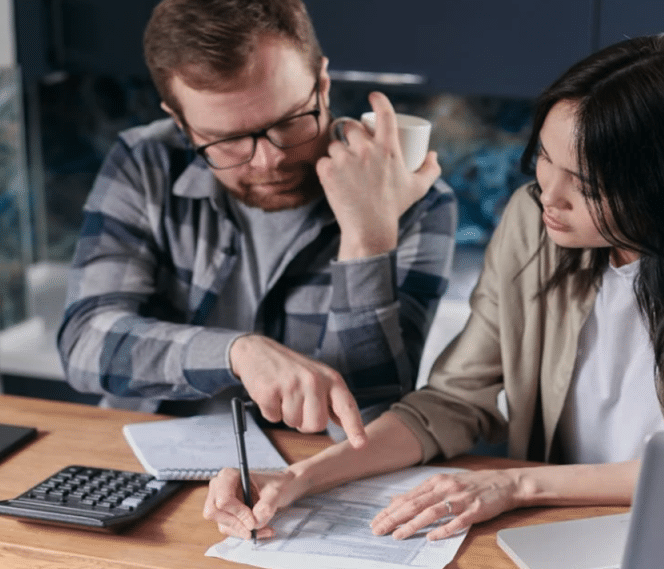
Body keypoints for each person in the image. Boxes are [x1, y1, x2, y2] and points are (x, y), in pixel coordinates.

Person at [203, 32, 664, 541]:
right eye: (544, 158)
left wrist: (516, 484)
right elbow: (451, 402)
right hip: (555, 527)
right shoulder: (535, 222)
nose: (547, 194)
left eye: (588, 185)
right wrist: (304, 476)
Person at [56, 0, 457, 447]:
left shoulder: (416, 199)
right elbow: (84, 345)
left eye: (288, 122)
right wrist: (237, 354)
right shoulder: (146, 162)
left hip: (313, 475)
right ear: (181, 124)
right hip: (149, 455)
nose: (270, 160)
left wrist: (367, 241)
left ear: (322, 84)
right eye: (226, 140)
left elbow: (369, 422)